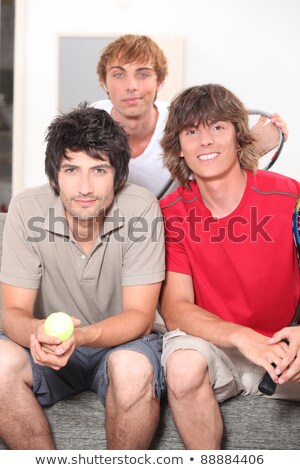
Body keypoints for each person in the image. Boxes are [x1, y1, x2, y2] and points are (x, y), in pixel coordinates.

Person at [0, 104, 165, 450]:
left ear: (119, 176)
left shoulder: (142, 207)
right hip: (46, 346)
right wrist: (36, 333)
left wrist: (83, 336)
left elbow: (140, 316)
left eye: (99, 170)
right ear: (53, 177)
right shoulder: (26, 208)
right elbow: (13, 310)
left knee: (133, 370)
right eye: (71, 169)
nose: (85, 186)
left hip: (121, 343)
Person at [159, 84, 300, 450]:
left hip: (285, 348)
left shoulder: (291, 197)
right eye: (192, 132)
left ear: (239, 136)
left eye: (217, 127)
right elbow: (175, 308)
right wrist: (241, 337)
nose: (205, 141)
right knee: (183, 364)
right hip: (217, 346)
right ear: (179, 148)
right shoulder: (170, 212)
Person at [93, 34, 288, 199]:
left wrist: (250, 147)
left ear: (159, 81)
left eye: (143, 74)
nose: (131, 86)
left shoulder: (182, 120)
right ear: (103, 82)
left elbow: (211, 175)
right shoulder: (88, 124)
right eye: (119, 75)